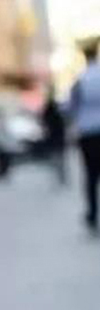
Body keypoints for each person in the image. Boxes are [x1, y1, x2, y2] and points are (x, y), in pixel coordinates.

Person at [70, 41, 100, 232]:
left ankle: (92, 215)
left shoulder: (80, 80)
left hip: (88, 134)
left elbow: (72, 107)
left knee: (91, 176)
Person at [41, 87, 67, 186]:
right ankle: (61, 177)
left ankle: (60, 177)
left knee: (57, 158)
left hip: (54, 137)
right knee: (59, 158)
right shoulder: (58, 109)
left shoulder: (50, 110)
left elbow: (44, 123)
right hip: (57, 137)